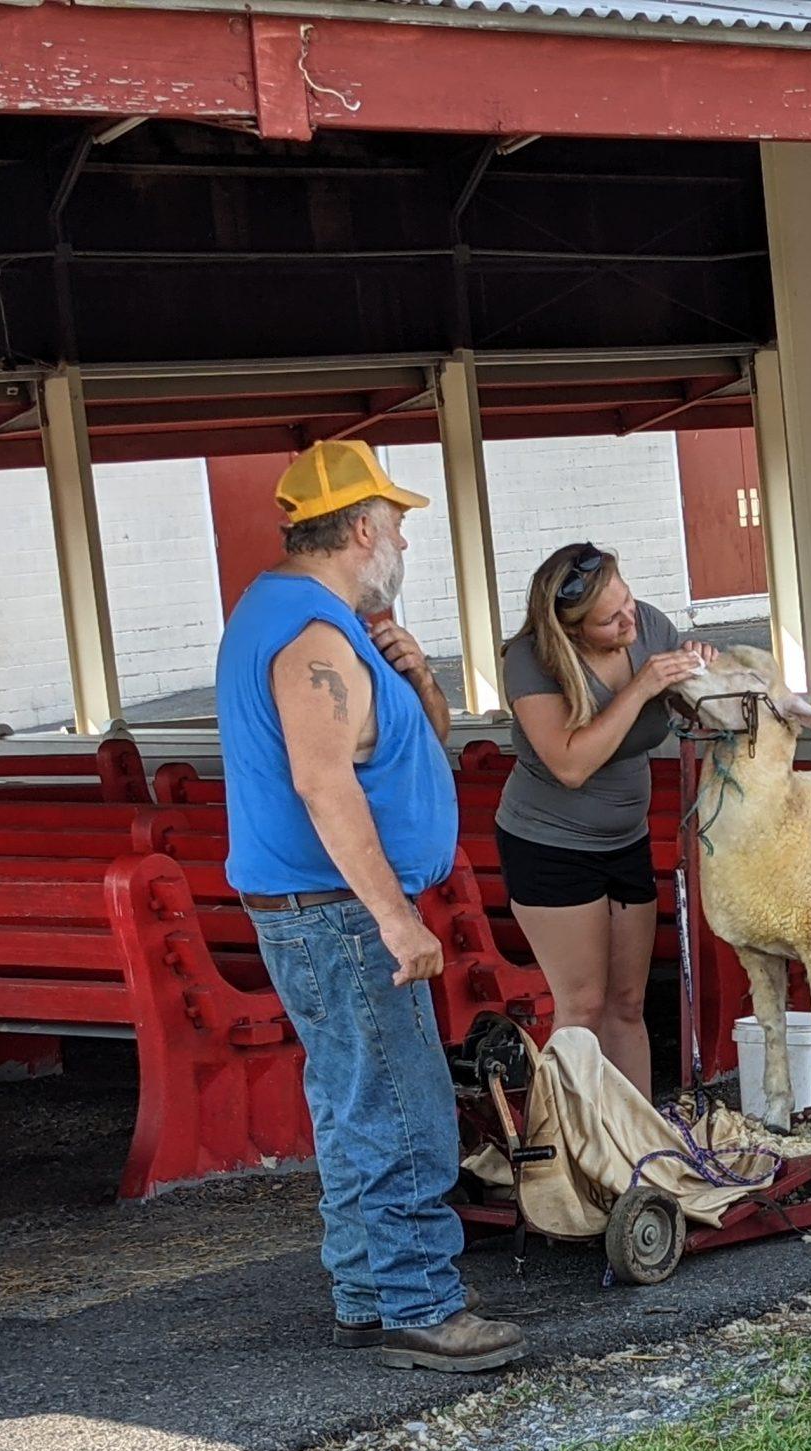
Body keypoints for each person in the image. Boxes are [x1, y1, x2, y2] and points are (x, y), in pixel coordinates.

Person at [219, 441, 525, 1372]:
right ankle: (420, 1302)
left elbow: (392, 753)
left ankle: (368, 1289)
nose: (403, 541)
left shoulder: (312, 621)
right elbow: (325, 784)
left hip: (319, 908)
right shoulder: (313, 636)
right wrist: (396, 916)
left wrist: (420, 679)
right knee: (402, 1106)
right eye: (394, 524)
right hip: (340, 911)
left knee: (356, 1102)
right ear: (360, 530)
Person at [494, 542, 710, 1096]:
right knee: (582, 1004)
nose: (628, 621)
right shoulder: (531, 659)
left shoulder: (649, 627)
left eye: (628, 602)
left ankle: (636, 1146)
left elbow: (686, 712)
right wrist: (641, 687)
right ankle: (566, 1149)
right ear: (570, 629)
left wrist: (696, 678)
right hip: (550, 843)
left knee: (627, 1003)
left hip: (626, 837)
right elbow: (570, 763)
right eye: (609, 619)